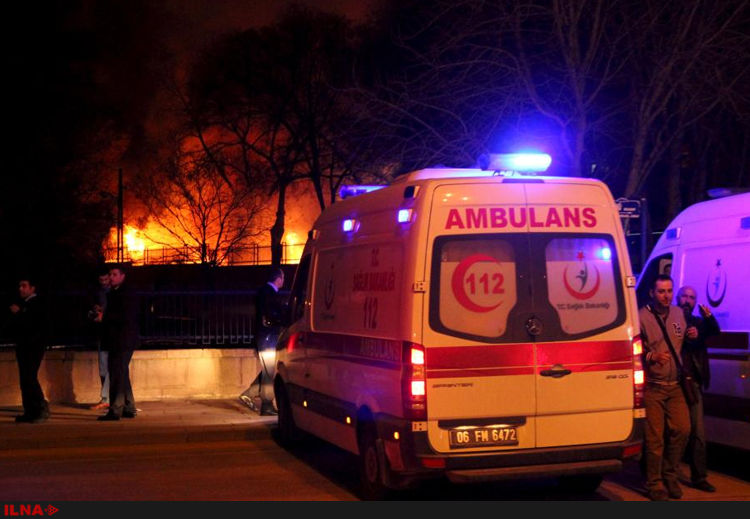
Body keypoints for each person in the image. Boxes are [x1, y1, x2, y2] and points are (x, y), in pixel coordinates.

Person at [639, 274, 691, 500]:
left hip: (675, 386)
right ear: (652, 293)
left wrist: (694, 335)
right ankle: (655, 483)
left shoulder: (679, 313)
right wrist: (652, 356)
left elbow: (685, 340)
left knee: (683, 429)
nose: (666, 295)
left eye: (669, 291)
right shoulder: (641, 317)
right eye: (661, 291)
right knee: (655, 439)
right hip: (654, 387)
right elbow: (633, 349)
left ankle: (670, 474)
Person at [677, 285, 720, 493]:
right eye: (684, 296)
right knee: (676, 432)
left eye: (691, 297)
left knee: (698, 433)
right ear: (678, 298)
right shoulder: (671, 319)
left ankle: (699, 477)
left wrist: (706, 320)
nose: (687, 300)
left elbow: (714, 331)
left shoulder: (698, 322)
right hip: (674, 384)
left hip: (692, 384)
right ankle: (665, 475)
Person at [97, 265, 139, 421]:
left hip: (121, 340)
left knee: (117, 374)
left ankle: (116, 409)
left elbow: (124, 316)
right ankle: (128, 406)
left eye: (115, 274)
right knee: (121, 373)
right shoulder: (117, 292)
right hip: (120, 339)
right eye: (110, 274)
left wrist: (104, 317)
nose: (111, 277)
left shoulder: (124, 293)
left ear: (122, 276)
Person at [240, 267, 285, 415]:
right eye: (283, 278)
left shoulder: (264, 292)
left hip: (265, 337)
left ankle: (249, 394)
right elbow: (272, 315)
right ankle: (267, 404)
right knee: (269, 372)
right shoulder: (269, 294)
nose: (283, 281)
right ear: (278, 279)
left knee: (268, 370)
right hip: (268, 338)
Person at [8, 276, 50, 423]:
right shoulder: (25, 303)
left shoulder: (36, 303)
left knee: (29, 377)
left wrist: (19, 313)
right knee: (25, 379)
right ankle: (30, 411)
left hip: (33, 347)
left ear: (32, 288)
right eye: (20, 286)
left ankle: (40, 408)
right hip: (24, 346)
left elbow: (33, 325)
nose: (21, 289)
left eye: (24, 286)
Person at [88, 269, 111, 410]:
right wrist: (95, 310)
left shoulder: (113, 293)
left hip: (110, 334)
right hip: (102, 334)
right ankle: (106, 398)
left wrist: (104, 314)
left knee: (108, 368)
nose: (103, 283)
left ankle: (106, 398)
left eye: (105, 280)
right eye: (101, 280)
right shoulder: (98, 292)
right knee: (103, 368)